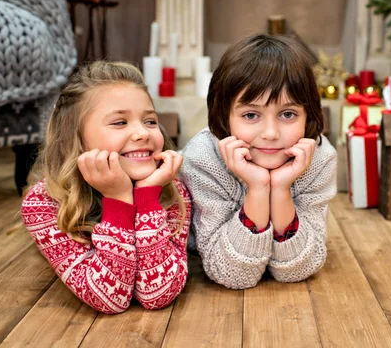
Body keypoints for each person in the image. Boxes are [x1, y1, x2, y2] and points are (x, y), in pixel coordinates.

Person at [21, 61, 191, 314]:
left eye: (150, 121)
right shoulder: (43, 203)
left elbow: (158, 294)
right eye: (120, 122)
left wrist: (147, 197)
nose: (142, 133)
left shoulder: (171, 189)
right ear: (76, 138)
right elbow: (109, 300)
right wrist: (118, 200)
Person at [180, 34, 337, 289]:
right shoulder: (203, 159)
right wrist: (258, 188)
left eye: (288, 114)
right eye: (251, 114)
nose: (271, 133)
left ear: (308, 115)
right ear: (224, 115)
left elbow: (299, 269)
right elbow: (231, 274)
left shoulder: (319, 158)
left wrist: (281, 189)